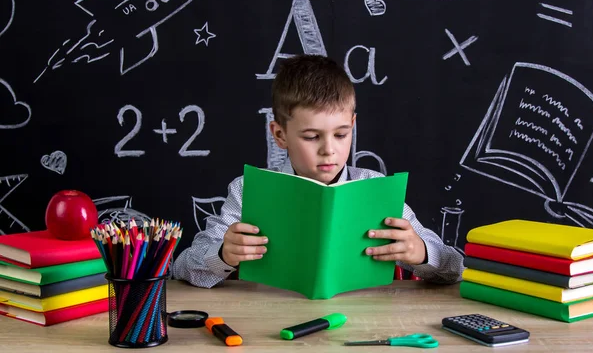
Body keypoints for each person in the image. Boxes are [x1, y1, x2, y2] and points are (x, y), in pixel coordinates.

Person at [173, 54, 464, 288]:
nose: (329, 150)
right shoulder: (248, 191)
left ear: (353, 124)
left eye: (341, 134)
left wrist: (422, 252)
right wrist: (223, 255)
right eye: (311, 137)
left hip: (366, 322)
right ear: (280, 135)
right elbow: (183, 267)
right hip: (270, 322)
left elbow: (456, 268)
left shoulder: (376, 188)